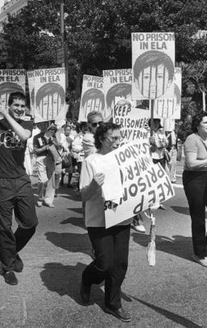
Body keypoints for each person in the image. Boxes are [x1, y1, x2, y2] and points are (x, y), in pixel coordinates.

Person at [0, 92, 38, 286]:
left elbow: (23, 136)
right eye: (15, 105)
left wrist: (6, 115)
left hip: (21, 180)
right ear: (9, 105)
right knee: (4, 227)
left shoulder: (26, 123)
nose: (19, 109)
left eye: (22, 106)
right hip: (1, 182)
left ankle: (12, 251)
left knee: (30, 224)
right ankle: (7, 267)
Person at [79, 122, 132, 323]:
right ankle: (87, 278)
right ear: (102, 139)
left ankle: (113, 303)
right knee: (104, 263)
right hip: (99, 220)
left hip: (122, 217)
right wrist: (94, 184)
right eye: (114, 138)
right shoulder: (91, 161)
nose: (118, 142)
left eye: (120, 137)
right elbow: (84, 195)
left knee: (119, 264)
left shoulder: (124, 159)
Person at [183, 111, 207, 267]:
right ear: (197, 125)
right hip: (194, 178)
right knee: (198, 216)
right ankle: (199, 252)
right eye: (205, 122)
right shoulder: (192, 139)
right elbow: (191, 163)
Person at [33, 123, 58, 208]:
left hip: (51, 159)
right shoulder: (37, 137)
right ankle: (40, 198)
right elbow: (36, 151)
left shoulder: (53, 137)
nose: (44, 127)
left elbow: (58, 148)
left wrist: (56, 144)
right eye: (42, 125)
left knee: (51, 180)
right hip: (41, 159)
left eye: (46, 125)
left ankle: (48, 200)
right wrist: (46, 147)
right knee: (42, 180)